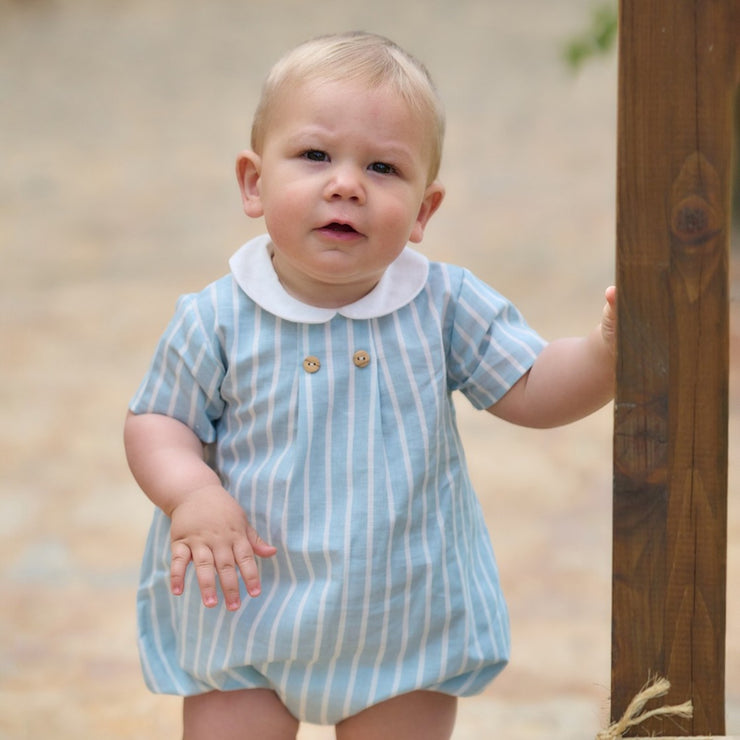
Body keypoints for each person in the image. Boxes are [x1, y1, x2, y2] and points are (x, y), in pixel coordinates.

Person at [124, 31, 617, 740]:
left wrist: (606, 356)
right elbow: (156, 422)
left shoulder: (443, 306)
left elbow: (532, 384)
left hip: (401, 621)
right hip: (245, 616)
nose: (346, 183)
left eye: (383, 167)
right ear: (254, 182)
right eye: (316, 155)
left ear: (423, 212)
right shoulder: (217, 318)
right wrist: (192, 493)